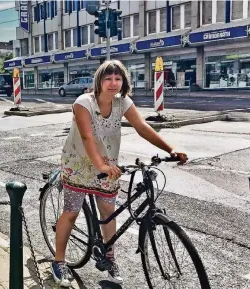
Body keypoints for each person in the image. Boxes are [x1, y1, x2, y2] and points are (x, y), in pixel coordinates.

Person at [52, 60, 188, 287]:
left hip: (108, 164)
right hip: (78, 164)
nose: (113, 83)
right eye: (108, 78)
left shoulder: (122, 102)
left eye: (118, 78)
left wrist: (170, 149)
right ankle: (59, 261)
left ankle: (109, 257)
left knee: (108, 211)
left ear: (124, 81)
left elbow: (142, 127)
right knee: (72, 211)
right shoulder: (83, 102)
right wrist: (102, 167)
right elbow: (86, 137)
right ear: (99, 81)